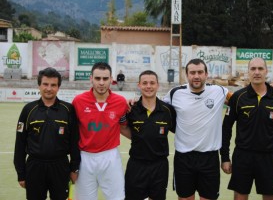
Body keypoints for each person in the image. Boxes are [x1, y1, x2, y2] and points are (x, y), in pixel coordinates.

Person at [220, 57, 273, 200]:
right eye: (253, 69)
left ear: (266, 71)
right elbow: (226, 129)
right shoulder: (238, 97)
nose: (257, 72)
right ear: (248, 72)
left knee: (270, 196)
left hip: (269, 157)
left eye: (260, 68)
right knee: (240, 196)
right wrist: (225, 157)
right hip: (243, 156)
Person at [163, 58, 231, 200]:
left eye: (200, 72)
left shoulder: (219, 91)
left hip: (209, 158)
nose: (196, 76)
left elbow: (241, 99)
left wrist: (270, 88)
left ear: (206, 74)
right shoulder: (175, 93)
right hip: (184, 158)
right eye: (192, 72)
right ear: (186, 75)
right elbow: (154, 106)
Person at [13, 67, 80, 200]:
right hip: (35, 167)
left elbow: (75, 141)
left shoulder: (68, 109)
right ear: (39, 85)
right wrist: (21, 173)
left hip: (60, 166)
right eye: (45, 84)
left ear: (58, 87)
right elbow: (20, 144)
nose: (49, 88)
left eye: (53, 85)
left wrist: (74, 168)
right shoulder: (28, 110)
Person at [72, 62, 129, 200]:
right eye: (97, 79)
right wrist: (72, 165)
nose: (101, 83)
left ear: (111, 79)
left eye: (105, 79)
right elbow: (72, 134)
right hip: (85, 158)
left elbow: (124, 127)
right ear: (91, 78)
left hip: (110, 157)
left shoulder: (121, 102)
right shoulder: (78, 101)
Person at [124, 70, 176, 200]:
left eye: (152, 83)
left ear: (158, 85)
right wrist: (138, 136)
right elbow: (122, 128)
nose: (148, 86)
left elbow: (178, 131)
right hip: (136, 165)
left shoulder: (168, 110)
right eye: (145, 83)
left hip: (159, 166)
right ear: (139, 85)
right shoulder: (131, 109)